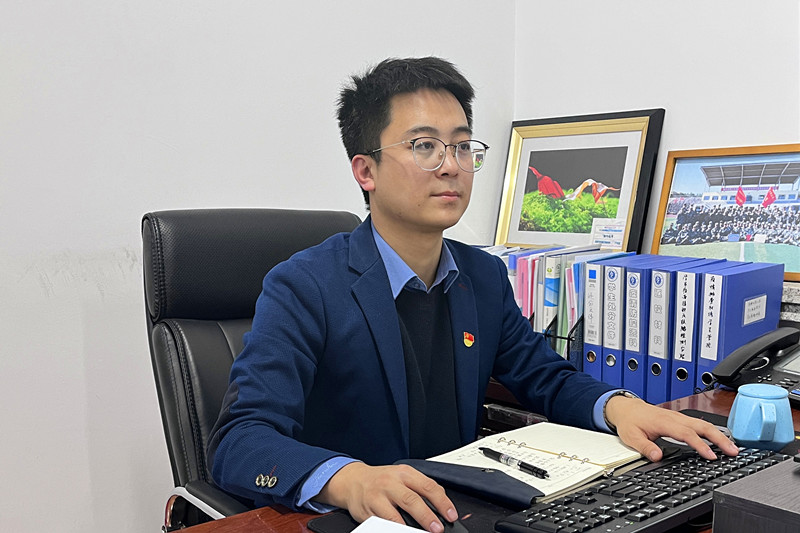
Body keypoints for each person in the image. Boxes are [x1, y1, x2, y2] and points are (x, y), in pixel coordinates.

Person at [207, 57, 738, 533]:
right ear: (366, 171)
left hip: (457, 511)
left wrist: (621, 407)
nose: (451, 165)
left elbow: (544, 377)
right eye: (424, 146)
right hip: (358, 520)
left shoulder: (481, 274)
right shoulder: (305, 285)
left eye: (462, 146)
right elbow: (239, 441)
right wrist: (350, 480)